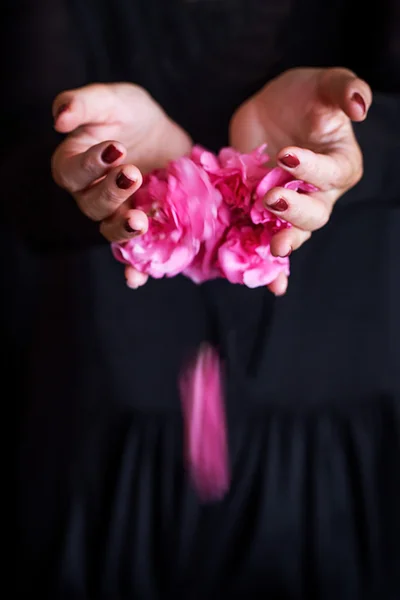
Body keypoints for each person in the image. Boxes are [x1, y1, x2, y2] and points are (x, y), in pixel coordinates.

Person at [7, 0, 399, 597]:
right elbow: (19, 167)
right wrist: (84, 169)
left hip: (336, 353)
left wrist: (348, 148)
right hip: (114, 377)